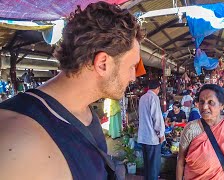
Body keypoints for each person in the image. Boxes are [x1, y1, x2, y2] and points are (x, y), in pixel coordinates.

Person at [0, 2, 143, 179]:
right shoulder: (20, 146)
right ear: (103, 64)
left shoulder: (87, 113)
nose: (133, 77)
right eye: (131, 66)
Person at [176, 84, 224, 180]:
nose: (204, 107)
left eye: (210, 102)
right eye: (201, 102)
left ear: (222, 106)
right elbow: (180, 161)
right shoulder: (191, 129)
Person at [137, 80, 165, 180]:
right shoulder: (154, 98)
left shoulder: (142, 98)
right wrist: (161, 134)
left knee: (147, 165)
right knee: (153, 166)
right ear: (157, 88)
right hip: (152, 139)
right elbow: (156, 118)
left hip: (143, 137)